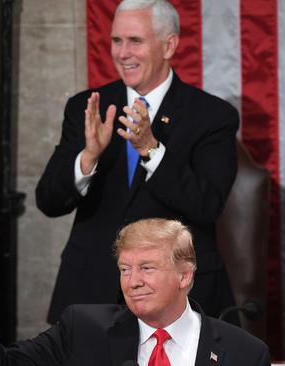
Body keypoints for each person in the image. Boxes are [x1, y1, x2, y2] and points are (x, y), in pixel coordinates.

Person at [35, 0, 239, 324]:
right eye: (117, 41)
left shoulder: (212, 116)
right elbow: (48, 201)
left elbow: (206, 204)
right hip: (92, 292)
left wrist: (151, 149)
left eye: (135, 41)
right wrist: (88, 158)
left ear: (169, 45)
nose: (122, 53)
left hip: (177, 297)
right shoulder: (89, 108)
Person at [0, 218, 270, 366]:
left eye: (147, 268)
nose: (132, 281)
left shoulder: (243, 354)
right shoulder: (83, 329)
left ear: (185, 276)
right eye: (125, 269)